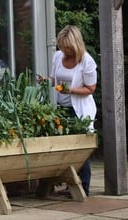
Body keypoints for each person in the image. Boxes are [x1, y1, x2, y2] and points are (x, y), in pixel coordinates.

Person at [50, 25, 97, 196]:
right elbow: (54, 79)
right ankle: (69, 184)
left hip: (79, 110)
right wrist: (45, 81)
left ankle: (83, 187)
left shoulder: (87, 61)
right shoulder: (57, 56)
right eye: (61, 46)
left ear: (75, 44)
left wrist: (70, 90)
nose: (64, 50)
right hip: (60, 109)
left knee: (80, 149)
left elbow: (91, 88)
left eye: (67, 47)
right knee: (63, 148)